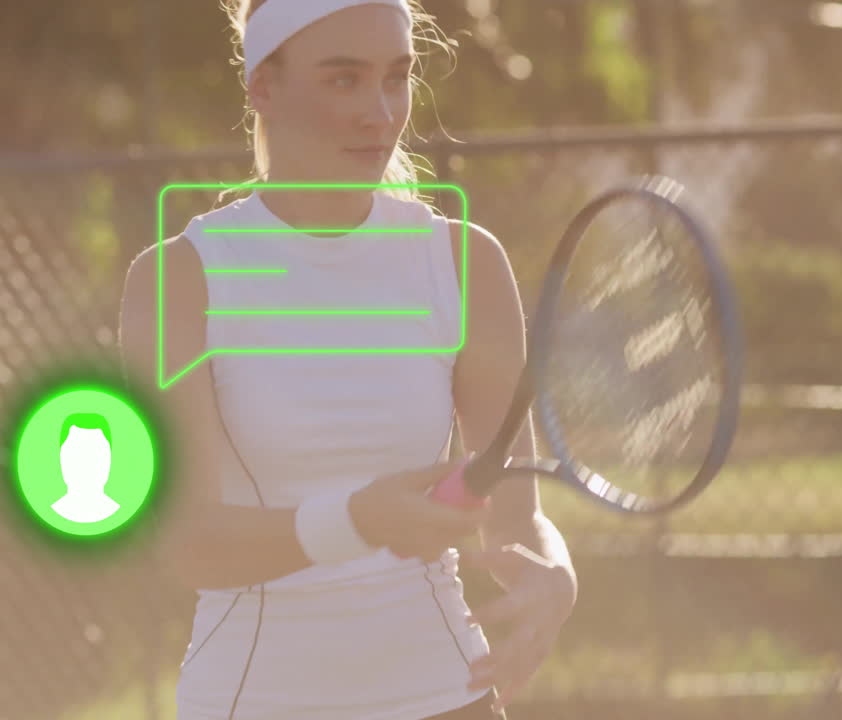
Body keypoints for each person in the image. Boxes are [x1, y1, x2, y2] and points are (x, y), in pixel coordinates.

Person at [118, 1, 578, 718]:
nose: (381, 111)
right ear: (262, 87)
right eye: (344, 81)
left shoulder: (464, 263)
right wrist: (360, 519)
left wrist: (556, 575)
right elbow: (189, 541)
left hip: (449, 696)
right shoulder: (180, 278)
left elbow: (518, 517)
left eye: (397, 77)